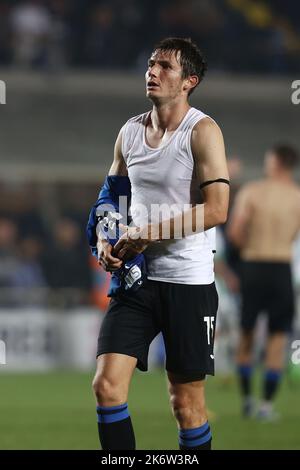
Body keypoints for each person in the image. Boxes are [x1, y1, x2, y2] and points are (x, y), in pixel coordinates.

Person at [88, 37, 229, 450]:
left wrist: (148, 232)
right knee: (106, 387)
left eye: (165, 66)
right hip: (136, 281)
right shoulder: (130, 132)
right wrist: (103, 233)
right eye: (151, 64)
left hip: (188, 282)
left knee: (185, 405)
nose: (152, 71)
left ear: (189, 81)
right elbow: (113, 196)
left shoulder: (202, 131)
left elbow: (218, 209)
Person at [228, 144, 300, 420]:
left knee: (246, 335)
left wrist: (246, 253)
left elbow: (235, 232)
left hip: (253, 265)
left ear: (275, 162)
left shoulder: (252, 192)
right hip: (281, 268)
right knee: (277, 339)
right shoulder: (296, 197)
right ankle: (267, 406)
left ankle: (247, 400)